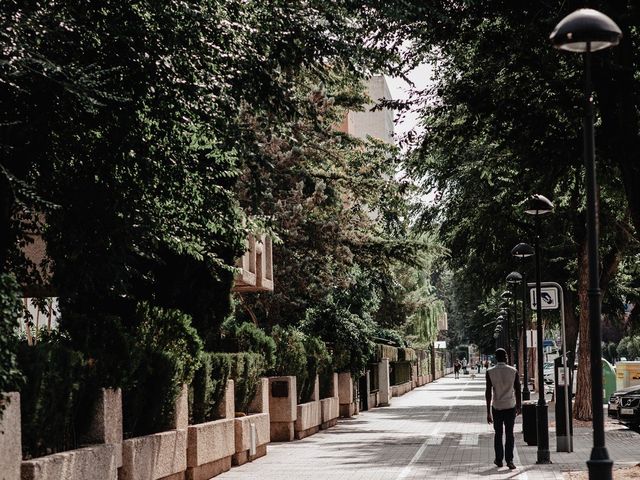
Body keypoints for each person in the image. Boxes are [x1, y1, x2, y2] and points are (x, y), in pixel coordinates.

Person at [485, 348, 521, 470]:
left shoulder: (490, 372)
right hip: (510, 406)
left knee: (498, 434)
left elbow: (488, 392)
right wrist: (519, 406)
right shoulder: (513, 371)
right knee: (510, 434)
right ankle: (510, 460)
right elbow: (518, 390)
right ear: (506, 357)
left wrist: (488, 412)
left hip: (497, 406)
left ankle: (499, 459)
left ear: (495, 358)